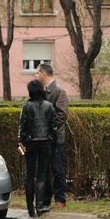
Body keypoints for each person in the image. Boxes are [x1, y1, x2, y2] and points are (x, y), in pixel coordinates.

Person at [18, 80, 57, 217]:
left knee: (30, 175)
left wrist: (21, 142)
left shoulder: (26, 106)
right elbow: (54, 127)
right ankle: (40, 207)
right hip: (45, 143)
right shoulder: (49, 106)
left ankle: (30, 209)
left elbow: (22, 127)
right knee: (41, 175)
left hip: (30, 143)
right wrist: (51, 140)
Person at [36, 63, 69, 209]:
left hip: (54, 139)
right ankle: (45, 200)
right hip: (41, 140)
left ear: (43, 73)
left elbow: (62, 115)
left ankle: (60, 200)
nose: (36, 75)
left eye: (37, 72)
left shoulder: (59, 91)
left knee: (57, 170)